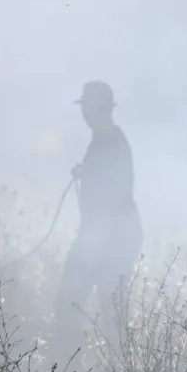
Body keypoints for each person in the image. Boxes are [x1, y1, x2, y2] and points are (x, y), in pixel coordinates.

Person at [54, 80, 143, 345]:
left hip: (110, 236)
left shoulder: (110, 142)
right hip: (106, 234)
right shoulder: (103, 140)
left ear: (101, 108)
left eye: (87, 107)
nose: (83, 113)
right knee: (91, 306)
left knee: (99, 308)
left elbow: (113, 196)